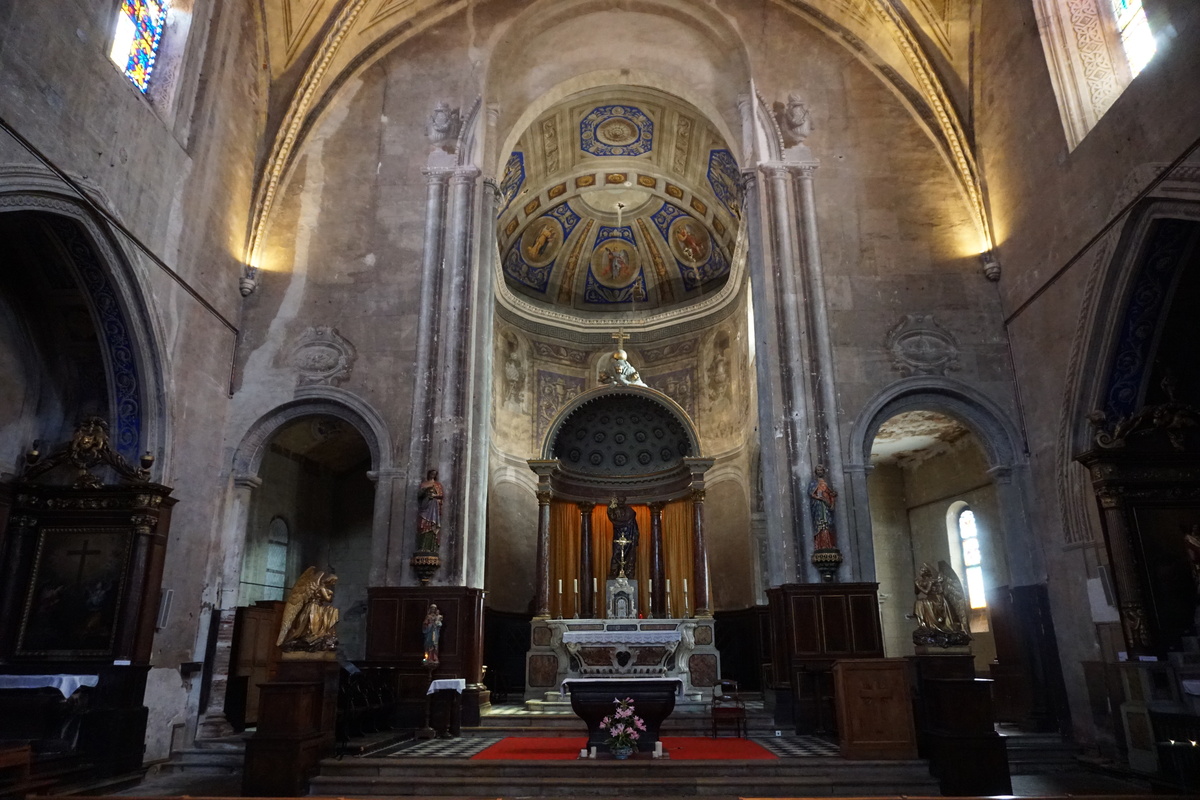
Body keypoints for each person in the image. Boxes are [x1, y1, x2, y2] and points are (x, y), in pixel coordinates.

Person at [607, 497, 639, 578]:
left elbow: (634, 527)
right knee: (617, 555)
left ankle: (628, 573)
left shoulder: (629, 511)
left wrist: (611, 507)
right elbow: (612, 516)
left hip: (629, 535)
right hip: (619, 536)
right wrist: (611, 507)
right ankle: (614, 573)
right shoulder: (616, 510)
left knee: (629, 556)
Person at [808, 465, 837, 550]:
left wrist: (832, 496)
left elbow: (830, 492)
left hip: (826, 506)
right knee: (820, 524)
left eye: (821, 470)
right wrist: (819, 498)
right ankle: (820, 545)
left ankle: (829, 545)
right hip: (818, 505)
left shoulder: (826, 483)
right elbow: (811, 493)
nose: (819, 472)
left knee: (827, 524)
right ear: (816, 472)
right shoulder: (813, 483)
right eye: (818, 470)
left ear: (823, 471)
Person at [417, 469, 444, 552]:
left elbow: (441, 496)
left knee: (432, 526)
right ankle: (422, 547)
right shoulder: (423, 484)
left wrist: (434, 496)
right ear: (428, 474)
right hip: (425, 507)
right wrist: (425, 491)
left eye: (434, 474)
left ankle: (431, 548)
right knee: (422, 525)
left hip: (433, 508)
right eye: (431, 473)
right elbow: (419, 496)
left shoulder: (437, 485)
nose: (432, 475)